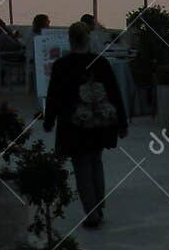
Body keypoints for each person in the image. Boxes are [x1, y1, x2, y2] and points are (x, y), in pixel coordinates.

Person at [43, 21, 127, 229]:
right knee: (96, 162)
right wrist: (122, 122)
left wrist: (49, 120)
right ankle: (97, 206)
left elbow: (54, 97)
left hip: (74, 125)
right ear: (88, 39)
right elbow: (115, 93)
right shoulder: (101, 63)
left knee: (81, 166)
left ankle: (92, 213)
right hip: (99, 123)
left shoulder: (62, 66)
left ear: (70, 40)